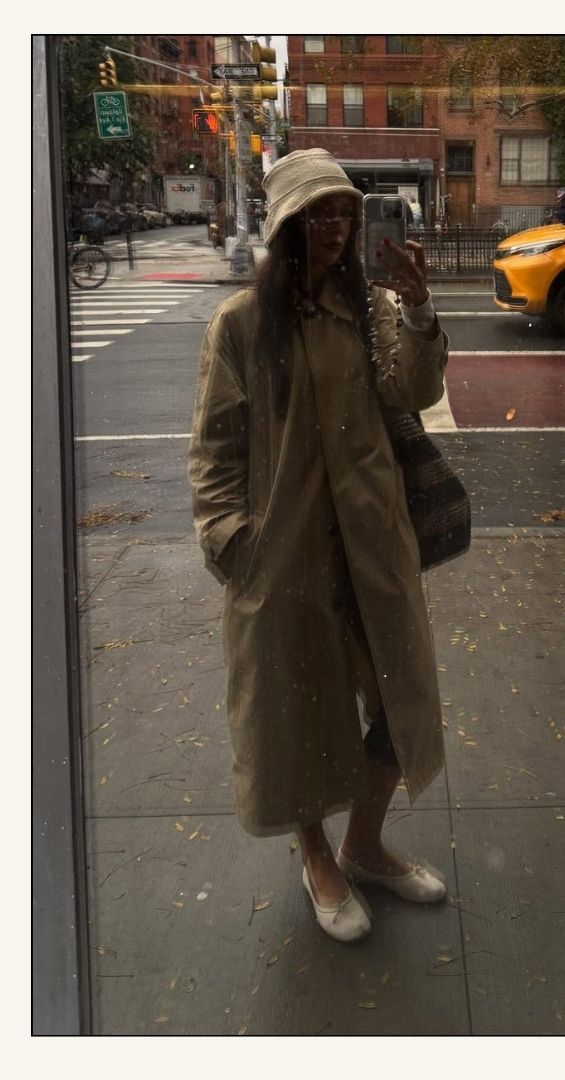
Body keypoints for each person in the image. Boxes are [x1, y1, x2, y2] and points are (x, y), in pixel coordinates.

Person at [188, 148, 452, 944]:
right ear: (287, 226)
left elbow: (418, 390)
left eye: (344, 213)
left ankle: (364, 844)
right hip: (284, 557)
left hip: (374, 547)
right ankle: (316, 858)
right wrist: (236, 545)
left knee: (397, 703)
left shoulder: (369, 310)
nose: (335, 230)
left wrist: (415, 309)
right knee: (294, 716)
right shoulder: (240, 325)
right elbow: (213, 453)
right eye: (319, 216)